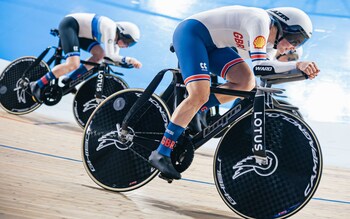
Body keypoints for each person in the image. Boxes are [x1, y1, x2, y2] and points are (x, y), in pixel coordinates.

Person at [148, 6, 320, 180]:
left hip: (214, 46)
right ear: (282, 27)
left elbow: (267, 70)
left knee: (246, 82)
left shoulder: (270, 45)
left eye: (299, 43)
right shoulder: (261, 22)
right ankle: (161, 153)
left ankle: (196, 110)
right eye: (295, 39)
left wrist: (301, 72)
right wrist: (297, 65)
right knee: (199, 94)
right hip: (192, 34)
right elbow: (260, 66)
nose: (293, 47)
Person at [30, 13, 142, 103]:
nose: (126, 46)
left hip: (82, 34)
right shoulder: (110, 28)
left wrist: (125, 63)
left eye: (130, 44)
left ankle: (70, 80)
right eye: (127, 42)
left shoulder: (115, 40)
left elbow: (111, 58)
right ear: (121, 32)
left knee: (99, 55)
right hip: (70, 25)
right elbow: (111, 56)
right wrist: (130, 60)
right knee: (73, 64)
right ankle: (37, 84)